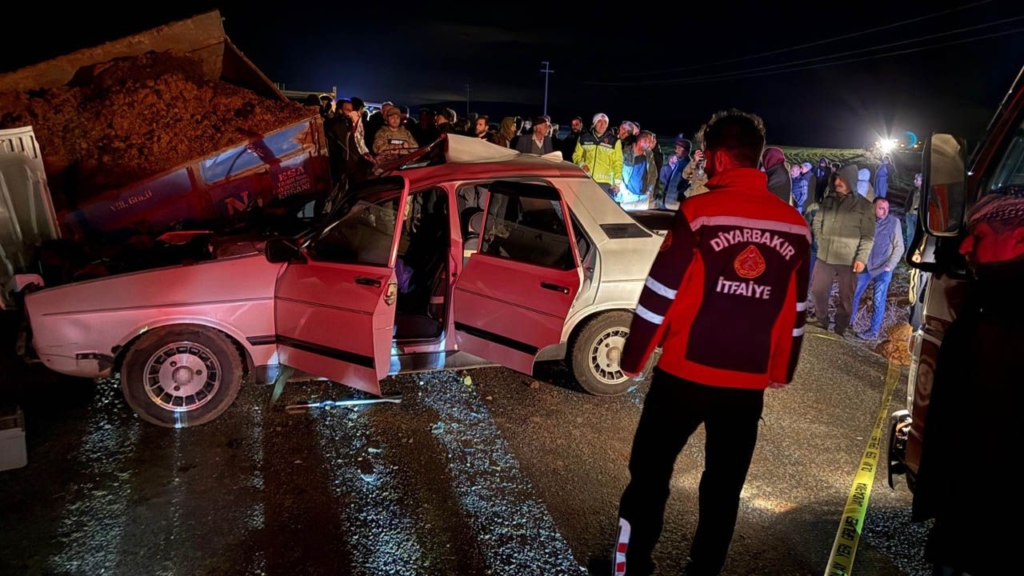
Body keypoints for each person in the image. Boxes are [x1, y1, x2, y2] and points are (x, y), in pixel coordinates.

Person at [612, 109, 811, 576]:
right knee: (723, 489)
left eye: (704, 158)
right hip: (745, 385)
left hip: (683, 373)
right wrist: (781, 369)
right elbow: (794, 310)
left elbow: (660, 292)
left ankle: (633, 566)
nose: (701, 166)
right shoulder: (796, 226)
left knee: (649, 476)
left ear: (720, 158)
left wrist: (634, 355)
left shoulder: (699, 213)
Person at [911, 187, 1024, 576]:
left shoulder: (987, 326)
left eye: (979, 236)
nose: (963, 250)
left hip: (979, 515)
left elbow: (956, 432)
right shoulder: (984, 313)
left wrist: (938, 504)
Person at [810, 165, 875, 336]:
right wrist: (821, 240)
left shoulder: (865, 206)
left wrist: (862, 258)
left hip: (849, 259)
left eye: (841, 179)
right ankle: (822, 320)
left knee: (846, 298)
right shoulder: (828, 200)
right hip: (825, 256)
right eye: (836, 178)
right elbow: (817, 222)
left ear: (851, 181)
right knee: (818, 291)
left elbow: (868, 236)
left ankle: (840, 328)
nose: (837, 182)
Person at [851, 197, 904, 340]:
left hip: (883, 267)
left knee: (879, 299)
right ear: (873, 208)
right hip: (866, 264)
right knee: (854, 294)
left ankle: (873, 331)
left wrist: (890, 265)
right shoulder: (866, 220)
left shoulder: (893, 223)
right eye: (881, 208)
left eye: (887, 208)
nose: (885, 211)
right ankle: (847, 323)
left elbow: (899, 247)